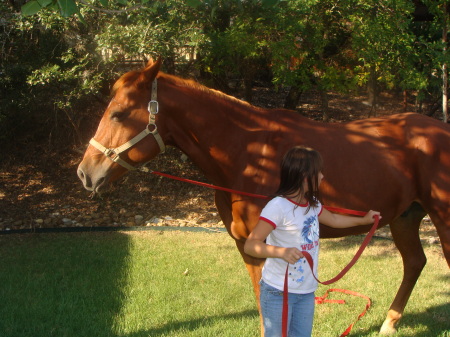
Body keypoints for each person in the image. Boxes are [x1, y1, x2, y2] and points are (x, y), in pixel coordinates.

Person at [244, 146, 381, 337]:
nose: (323, 176)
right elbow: (250, 245)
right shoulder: (277, 207)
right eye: (319, 172)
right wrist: (280, 252)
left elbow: (334, 220)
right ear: (304, 176)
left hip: (306, 292)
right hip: (278, 292)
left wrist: (364, 220)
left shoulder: (312, 204)